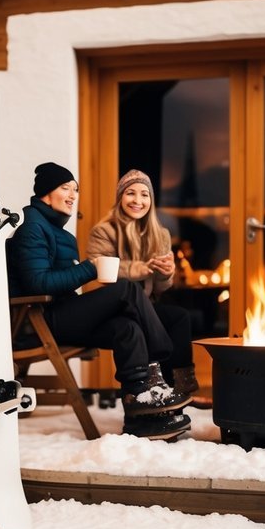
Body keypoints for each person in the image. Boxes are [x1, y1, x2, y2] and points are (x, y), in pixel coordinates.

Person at [6, 161, 191, 439]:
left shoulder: (60, 233)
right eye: (65, 188)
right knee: (127, 290)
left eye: (75, 189)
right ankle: (157, 372)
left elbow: (65, 282)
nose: (72, 195)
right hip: (38, 321)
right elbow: (38, 283)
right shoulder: (32, 229)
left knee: (126, 327)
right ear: (45, 193)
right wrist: (91, 267)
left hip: (60, 313)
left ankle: (139, 416)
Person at [87, 169, 198, 395]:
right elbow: (100, 269)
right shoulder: (104, 231)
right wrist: (140, 268)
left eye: (144, 194)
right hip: (113, 307)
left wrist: (165, 273)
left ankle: (179, 385)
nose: (138, 200)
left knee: (179, 317)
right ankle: (158, 385)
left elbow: (160, 288)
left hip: (146, 303)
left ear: (151, 200)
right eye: (131, 193)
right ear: (120, 198)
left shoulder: (161, 234)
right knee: (144, 323)